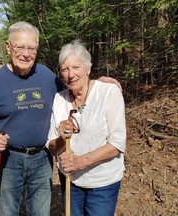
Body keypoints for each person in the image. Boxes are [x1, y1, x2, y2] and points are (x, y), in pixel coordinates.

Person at [0, 21, 122, 216]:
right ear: (8, 46)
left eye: (31, 48)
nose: (26, 54)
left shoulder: (46, 75)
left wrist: (98, 82)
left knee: (41, 212)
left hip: (42, 159)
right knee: (7, 211)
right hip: (9, 159)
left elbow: (74, 83)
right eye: (20, 47)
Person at [46, 40, 126, 216]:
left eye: (76, 67)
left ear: (88, 69)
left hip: (102, 183)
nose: (70, 74)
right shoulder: (60, 99)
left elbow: (117, 144)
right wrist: (61, 138)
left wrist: (81, 161)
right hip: (70, 180)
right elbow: (52, 148)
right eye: (65, 69)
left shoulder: (108, 93)